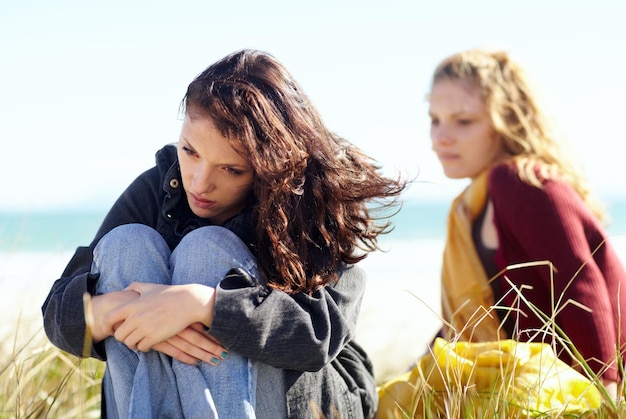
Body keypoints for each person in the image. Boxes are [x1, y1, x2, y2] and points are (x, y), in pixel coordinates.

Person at [42, 48, 406, 418]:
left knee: (205, 251)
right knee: (124, 246)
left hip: (303, 397)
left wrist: (205, 306)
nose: (199, 182)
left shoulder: (311, 198)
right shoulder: (160, 185)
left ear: (271, 167)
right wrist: (108, 312)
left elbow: (319, 334)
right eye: (190, 151)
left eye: (231, 169)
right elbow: (57, 310)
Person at [376, 48, 626, 418]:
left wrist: (607, 399)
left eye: (463, 121)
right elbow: (461, 325)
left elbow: (581, 287)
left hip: (567, 392)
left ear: (505, 121)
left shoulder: (520, 182)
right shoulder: (470, 207)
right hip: (532, 391)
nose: (441, 137)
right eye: (435, 120)